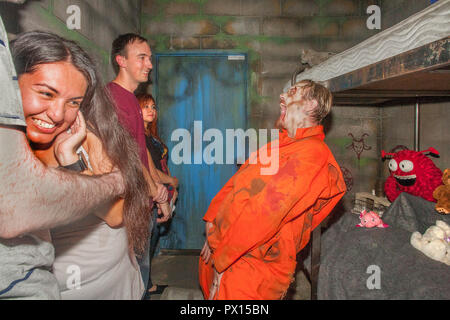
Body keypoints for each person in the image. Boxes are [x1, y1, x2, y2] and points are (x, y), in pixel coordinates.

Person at [11, 30, 155, 299]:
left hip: (116, 284)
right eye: (45, 93)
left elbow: (116, 214)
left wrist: (71, 163)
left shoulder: (81, 136)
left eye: (73, 102)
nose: (56, 114)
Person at [199, 80, 347, 300]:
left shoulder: (313, 155)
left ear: (310, 105)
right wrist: (213, 229)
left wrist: (223, 256)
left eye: (293, 92)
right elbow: (236, 185)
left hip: (252, 267)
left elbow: (265, 212)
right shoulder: (278, 147)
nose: (282, 96)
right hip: (229, 253)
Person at [107, 33, 172, 295]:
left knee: (140, 275)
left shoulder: (132, 100)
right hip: (125, 207)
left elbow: (141, 150)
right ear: (121, 60)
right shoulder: (116, 98)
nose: (149, 64)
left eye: (150, 58)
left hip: (139, 203)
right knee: (130, 281)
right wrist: (157, 192)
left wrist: (158, 190)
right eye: (142, 57)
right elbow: (127, 154)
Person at [137, 93, 179, 298]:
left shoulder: (151, 135)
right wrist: (171, 182)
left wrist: (171, 190)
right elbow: (150, 170)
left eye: (153, 106)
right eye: (146, 107)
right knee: (143, 249)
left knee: (149, 245)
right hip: (148, 196)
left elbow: (160, 166)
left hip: (160, 193)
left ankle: (148, 284)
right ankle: (142, 289)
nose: (151, 110)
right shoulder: (138, 137)